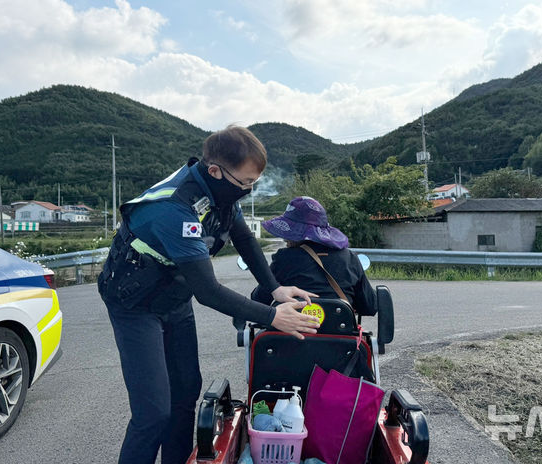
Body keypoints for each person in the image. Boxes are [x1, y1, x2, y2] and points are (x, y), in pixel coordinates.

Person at [97, 126, 320, 464]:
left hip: (174, 296)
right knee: (153, 411)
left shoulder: (221, 193)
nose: (247, 191)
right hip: (135, 304)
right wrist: (273, 316)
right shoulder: (174, 210)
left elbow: (244, 239)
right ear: (215, 171)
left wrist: (275, 287)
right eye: (244, 183)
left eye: (253, 184)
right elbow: (208, 292)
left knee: (186, 393)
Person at [251, 196, 377, 316]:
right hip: (339, 335)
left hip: (290, 335)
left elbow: (258, 301)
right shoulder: (349, 258)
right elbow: (370, 307)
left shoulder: (283, 258)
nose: (285, 239)